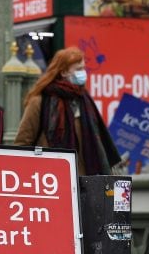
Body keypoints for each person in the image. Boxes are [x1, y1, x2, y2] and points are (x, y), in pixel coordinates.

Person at [13, 46, 121, 175]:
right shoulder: (40, 101)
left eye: (83, 68)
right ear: (63, 72)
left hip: (86, 182)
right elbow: (23, 143)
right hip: (51, 179)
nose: (83, 73)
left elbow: (98, 141)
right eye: (78, 69)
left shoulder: (84, 100)